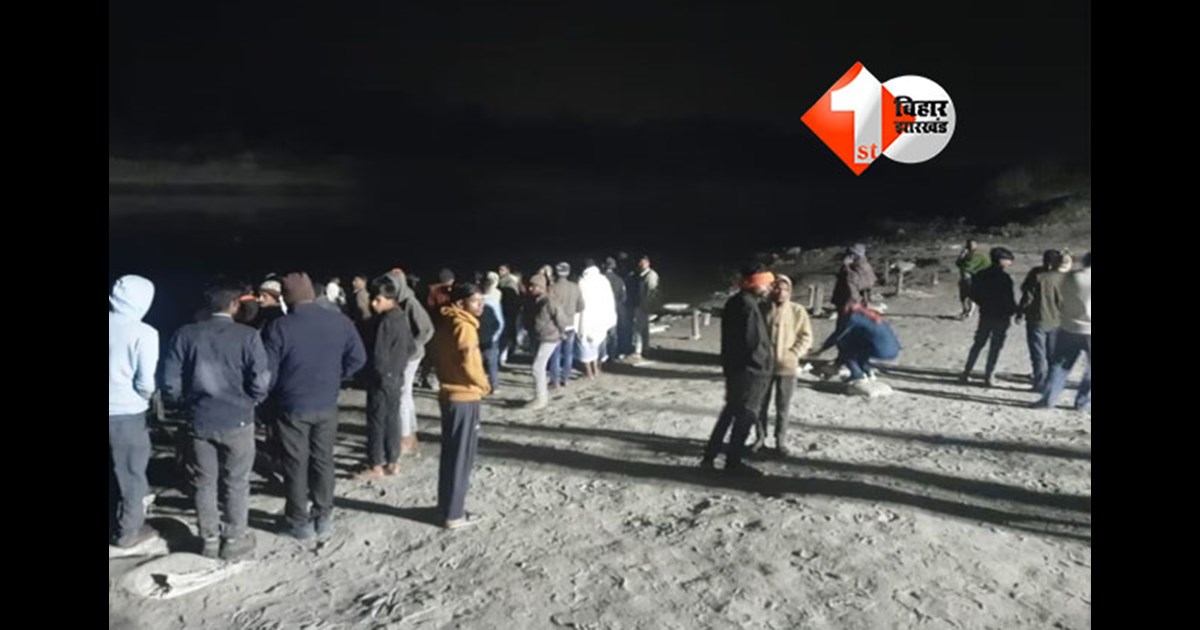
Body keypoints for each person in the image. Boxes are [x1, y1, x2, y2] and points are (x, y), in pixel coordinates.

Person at [162, 283, 271, 560]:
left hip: (200, 419)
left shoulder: (185, 334)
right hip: (238, 420)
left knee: (203, 482)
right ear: (234, 305)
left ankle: (208, 539)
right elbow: (260, 379)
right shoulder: (247, 335)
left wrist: (182, 401)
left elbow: (170, 380)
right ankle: (233, 539)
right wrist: (253, 399)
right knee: (236, 481)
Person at [262, 273, 367, 540]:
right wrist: (337, 375)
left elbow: (268, 373)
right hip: (327, 402)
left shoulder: (279, 327)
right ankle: (324, 515)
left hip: (292, 404)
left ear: (286, 298)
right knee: (323, 459)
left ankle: (299, 521)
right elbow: (358, 358)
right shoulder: (340, 321)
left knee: (295, 463)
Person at [700, 266, 775, 477]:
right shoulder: (746, 306)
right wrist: (763, 365)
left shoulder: (737, 302)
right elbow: (752, 343)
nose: (769, 288)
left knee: (730, 412)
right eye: (766, 284)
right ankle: (733, 462)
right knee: (745, 415)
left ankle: (710, 457)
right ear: (754, 283)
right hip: (750, 372)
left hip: (736, 369)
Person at [430, 283, 491, 529]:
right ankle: (454, 513)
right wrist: (484, 385)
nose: (480, 305)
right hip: (464, 396)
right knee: (461, 457)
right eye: (475, 301)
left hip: (448, 394)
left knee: (450, 454)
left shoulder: (445, 323)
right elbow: (470, 363)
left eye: (481, 300)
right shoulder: (465, 327)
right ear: (460, 303)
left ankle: (445, 506)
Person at [109, 275, 160, 549]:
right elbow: (145, 383)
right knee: (131, 475)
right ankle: (129, 531)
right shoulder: (144, 333)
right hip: (126, 413)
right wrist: (145, 398)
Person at [356, 275, 415, 480]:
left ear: (390, 299)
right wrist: (398, 364)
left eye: (378, 299)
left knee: (376, 421)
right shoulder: (401, 317)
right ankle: (393, 460)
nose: (373, 303)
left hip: (381, 379)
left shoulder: (385, 321)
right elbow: (411, 347)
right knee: (392, 418)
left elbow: (378, 354)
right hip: (397, 375)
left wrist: (379, 373)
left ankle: (376, 464)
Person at [753, 275, 813, 456]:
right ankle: (760, 438)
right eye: (777, 288)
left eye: (785, 289)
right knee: (760, 405)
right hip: (764, 366)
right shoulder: (761, 308)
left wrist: (793, 353)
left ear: (790, 291)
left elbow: (806, 336)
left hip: (787, 366)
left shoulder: (797, 311)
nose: (781, 292)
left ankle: (780, 441)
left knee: (783, 406)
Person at [385, 268, 436, 456]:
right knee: (405, 395)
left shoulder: (410, 302)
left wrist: (410, 347)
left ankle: (404, 437)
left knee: (401, 395)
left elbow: (427, 329)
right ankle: (410, 435)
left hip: (410, 357)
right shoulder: (396, 301)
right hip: (402, 355)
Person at [1034, 252, 1090, 411]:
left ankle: (1048, 399)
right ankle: (1083, 402)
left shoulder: (1070, 277)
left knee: (1059, 366)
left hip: (1068, 327)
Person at [959, 247, 1017, 387]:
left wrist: (984, 303)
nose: (1010, 263)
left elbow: (973, 294)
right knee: (995, 347)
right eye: (1008, 260)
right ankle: (989, 375)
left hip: (986, 313)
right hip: (1001, 315)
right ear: (1001, 260)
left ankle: (967, 372)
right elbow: (1009, 299)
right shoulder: (1005, 278)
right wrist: (1014, 311)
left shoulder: (980, 275)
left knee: (978, 344)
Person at [812, 303, 900, 384]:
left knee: (846, 348)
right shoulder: (870, 316)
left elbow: (838, 335)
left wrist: (821, 350)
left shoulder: (854, 317)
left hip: (881, 349)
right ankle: (867, 372)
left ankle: (857, 375)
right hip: (894, 350)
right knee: (859, 348)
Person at [1018, 250, 1066, 392]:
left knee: (1038, 354)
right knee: (1053, 355)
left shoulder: (1036, 275)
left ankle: (1039, 383)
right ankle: (1052, 383)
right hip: (1057, 321)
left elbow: (1027, 297)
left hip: (1036, 319)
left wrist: (1020, 312)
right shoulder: (1063, 278)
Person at [524, 274, 570, 410]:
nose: (530, 288)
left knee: (537, 367)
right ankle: (540, 397)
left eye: (533, 286)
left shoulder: (550, 302)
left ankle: (540, 399)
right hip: (540, 337)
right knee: (539, 367)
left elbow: (562, 319)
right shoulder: (535, 300)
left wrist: (561, 332)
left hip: (549, 338)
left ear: (541, 287)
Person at [577, 259, 618, 379]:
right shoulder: (603, 280)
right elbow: (609, 300)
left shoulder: (582, 282)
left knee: (585, 345)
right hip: (601, 318)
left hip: (586, 318)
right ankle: (597, 369)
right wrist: (610, 317)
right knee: (599, 344)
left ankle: (589, 372)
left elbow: (579, 302)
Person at [548, 262, 585, 387]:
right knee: (569, 353)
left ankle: (554, 379)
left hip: (556, 324)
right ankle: (566, 378)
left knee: (555, 353)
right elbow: (581, 306)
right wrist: (572, 311)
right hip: (570, 323)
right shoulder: (575, 287)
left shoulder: (552, 288)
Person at [628, 255, 660, 361]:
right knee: (644, 328)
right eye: (640, 263)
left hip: (643, 306)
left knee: (638, 329)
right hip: (642, 305)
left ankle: (637, 351)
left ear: (648, 263)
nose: (640, 265)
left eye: (643, 263)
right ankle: (645, 347)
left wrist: (646, 305)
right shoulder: (642, 275)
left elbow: (651, 292)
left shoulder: (650, 275)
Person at [480, 272, 505, 392]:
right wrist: (496, 335)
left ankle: (483, 384)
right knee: (492, 362)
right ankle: (493, 385)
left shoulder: (476, 300)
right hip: (490, 337)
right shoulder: (495, 300)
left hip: (481, 335)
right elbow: (500, 322)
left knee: (480, 362)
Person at [956, 239, 991, 320]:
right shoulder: (968, 254)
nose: (970, 246)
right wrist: (961, 256)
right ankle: (965, 311)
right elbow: (958, 264)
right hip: (965, 277)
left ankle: (969, 312)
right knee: (963, 296)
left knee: (970, 295)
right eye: (969, 244)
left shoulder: (977, 255)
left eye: (972, 244)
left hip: (972, 277)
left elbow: (968, 266)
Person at [497, 264, 524, 366]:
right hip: (506, 311)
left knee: (506, 334)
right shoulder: (502, 281)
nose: (500, 271)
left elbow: (512, 299)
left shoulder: (509, 283)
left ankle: (506, 354)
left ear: (508, 270)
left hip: (507, 311)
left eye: (502, 269)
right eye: (499, 269)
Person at [602, 256, 627, 363]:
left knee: (602, 333)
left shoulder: (601, 279)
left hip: (602, 309)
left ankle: (602, 355)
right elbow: (624, 297)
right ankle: (613, 354)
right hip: (616, 309)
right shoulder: (619, 280)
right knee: (614, 333)